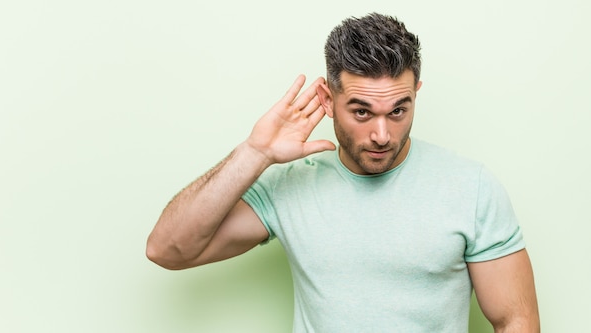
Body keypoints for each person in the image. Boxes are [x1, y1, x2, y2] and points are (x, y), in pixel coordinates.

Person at [146, 13, 540, 332]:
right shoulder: (290, 185)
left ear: (415, 93)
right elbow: (168, 250)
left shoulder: (470, 188)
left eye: (399, 110)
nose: (382, 135)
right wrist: (255, 153)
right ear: (328, 100)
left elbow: (515, 320)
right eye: (362, 112)